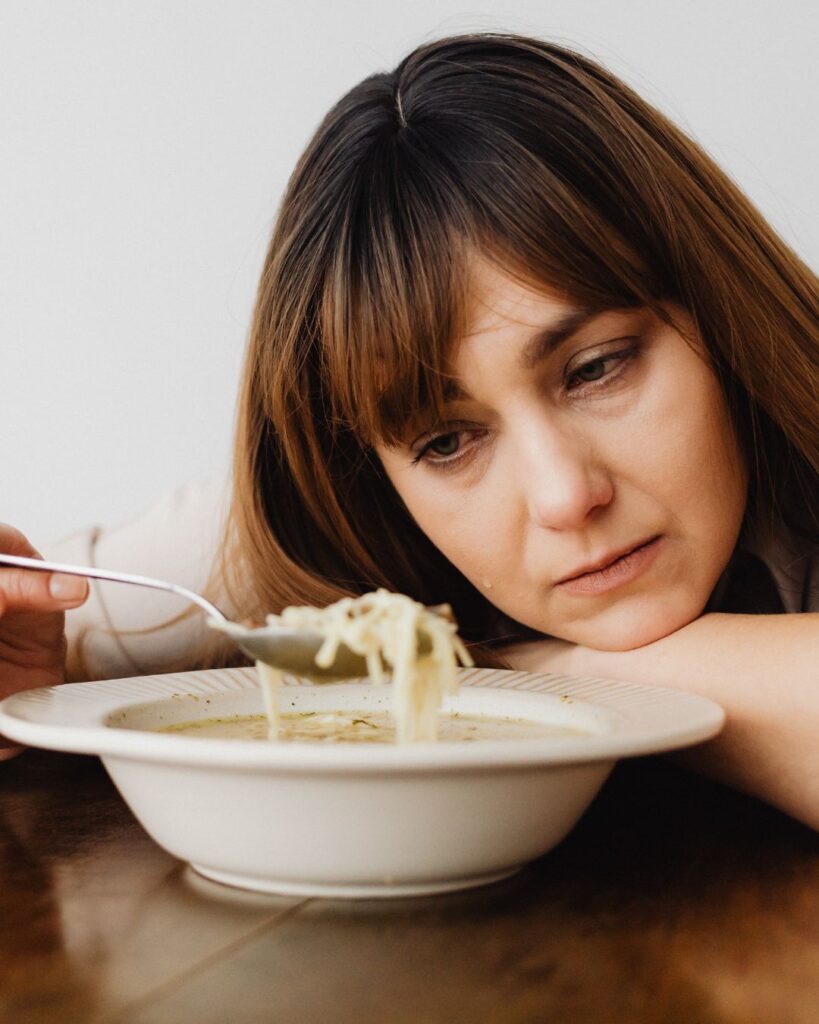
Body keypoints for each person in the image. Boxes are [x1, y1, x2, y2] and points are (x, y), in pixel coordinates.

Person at [2, 33, 817, 823]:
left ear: (715, 308)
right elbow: (45, 618)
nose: (565, 496)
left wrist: (511, 671)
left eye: (597, 367)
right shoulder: (312, 545)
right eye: (446, 443)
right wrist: (45, 663)